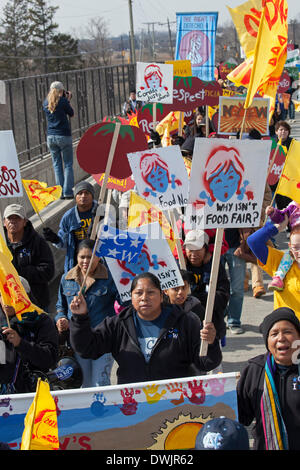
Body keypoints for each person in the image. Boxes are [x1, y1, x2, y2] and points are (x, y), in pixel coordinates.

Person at [69, 272, 222, 385]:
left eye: (151, 293)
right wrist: (80, 318)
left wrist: (211, 343)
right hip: (132, 404)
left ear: (162, 296)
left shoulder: (185, 321)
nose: (144, 297)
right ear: (131, 296)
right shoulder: (118, 324)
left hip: (175, 399)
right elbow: (86, 348)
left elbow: (206, 363)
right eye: (138, 293)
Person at [55, 239, 119, 388]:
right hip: (77, 341)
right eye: (82, 257)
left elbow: (123, 302)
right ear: (76, 257)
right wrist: (61, 318)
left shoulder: (111, 278)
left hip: (103, 340)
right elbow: (60, 306)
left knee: (100, 383)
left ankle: (103, 411)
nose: (85, 261)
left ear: (98, 257)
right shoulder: (66, 279)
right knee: (84, 384)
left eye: (90, 257)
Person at [237, 307, 300, 450]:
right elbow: (241, 417)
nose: (281, 338)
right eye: (274, 334)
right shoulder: (255, 369)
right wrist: (223, 391)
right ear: (267, 341)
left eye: (288, 332)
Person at [0, 283, 59, 394]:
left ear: (25, 297)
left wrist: (20, 344)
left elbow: (49, 359)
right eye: (2, 295)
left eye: (11, 296)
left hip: (33, 391)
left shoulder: (42, 321)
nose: (6, 302)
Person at [3, 204, 55, 311]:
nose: (13, 221)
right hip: (8, 307)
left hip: (36, 304)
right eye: (9, 218)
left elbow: (48, 271)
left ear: (25, 221)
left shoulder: (38, 242)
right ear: (4, 222)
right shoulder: (1, 244)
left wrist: (19, 272)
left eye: (17, 218)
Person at [247, 218, 300, 320]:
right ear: (289, 246)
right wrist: (276, 227)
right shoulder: (280, 261)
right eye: (296, 247)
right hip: (287, 329)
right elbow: (253, 241)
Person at [183, 230, 229, 340]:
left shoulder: (215, 267)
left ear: (206, 249)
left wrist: (195, 299)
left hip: (212, 326)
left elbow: (223, 296)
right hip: (186, 329)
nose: (193, 254)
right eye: (190, 249)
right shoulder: (180, 267)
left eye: (198, 249)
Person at [42, 181, 98, 272]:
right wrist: (55, 239)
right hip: (77, 264)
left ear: (92, 196)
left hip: (99, 262)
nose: (83, 196)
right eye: (80, 193)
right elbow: (64, 244)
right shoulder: (68, 217)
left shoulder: (102, 212)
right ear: (75, 197)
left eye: (87, 193)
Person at [43, 81, 75, 199]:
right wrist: (68, 100)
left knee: (56, 164)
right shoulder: (63, 101)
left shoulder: (46, 102)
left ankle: (60, 192)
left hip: (50, 136)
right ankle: (68, 192)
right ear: (61, 91)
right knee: (68, 164)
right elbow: (71, 113)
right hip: (63, 136)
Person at [265, 201, 300, 291]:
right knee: (289, 256)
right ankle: (279, 277)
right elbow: (281, 216)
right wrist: (273, 212)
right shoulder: (293, 207)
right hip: (296, 238)